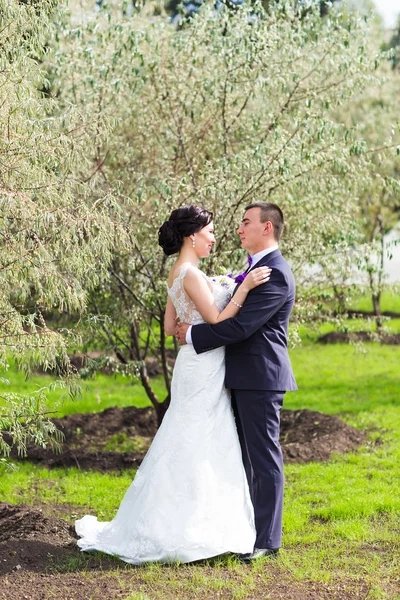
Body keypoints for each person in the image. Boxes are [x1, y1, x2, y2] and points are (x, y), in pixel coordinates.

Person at [75, 204, 271, 565]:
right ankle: (194, 529)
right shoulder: (192, 274)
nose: (213, 239)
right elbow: (214, 319)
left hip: (191, 364)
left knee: (187, 434)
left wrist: (207, 306)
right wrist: (242, 290)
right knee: (199, 436)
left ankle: (183, 521)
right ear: (192, 235)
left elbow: (169, 327)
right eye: (210, 232)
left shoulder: (176, 273)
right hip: (205, 364)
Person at [176, 202, 297, 561]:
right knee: (244, 458)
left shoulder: (274, 273)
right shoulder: (256, 269)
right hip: (242, 376)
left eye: (247, 223)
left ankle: (267, 542)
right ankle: (246, 531)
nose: (239, 229)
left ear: (268, 229)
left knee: (263, 458)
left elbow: (242, 327)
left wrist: (193, 336)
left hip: (261, 377)